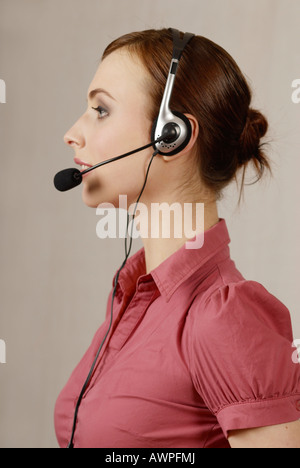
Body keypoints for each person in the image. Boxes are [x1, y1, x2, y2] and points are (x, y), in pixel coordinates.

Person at [54, 28, 300, 448]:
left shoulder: (224, 318)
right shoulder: (134, 299)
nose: (72, 133)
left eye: (101, 109)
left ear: (172, 136)